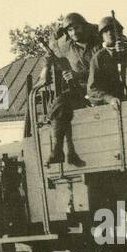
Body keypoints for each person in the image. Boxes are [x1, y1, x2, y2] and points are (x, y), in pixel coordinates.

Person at [43, 13, 96, 165]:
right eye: (70, 30)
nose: (74, 33)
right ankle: (59, 150)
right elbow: (52, 45)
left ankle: (69, 152)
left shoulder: (97, 45)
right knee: (60, 103)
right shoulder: (66, 47)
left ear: (84, 27)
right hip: (78, 93)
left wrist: (77, 75)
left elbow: (99, 70)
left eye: (77, 28)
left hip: (95, 90)